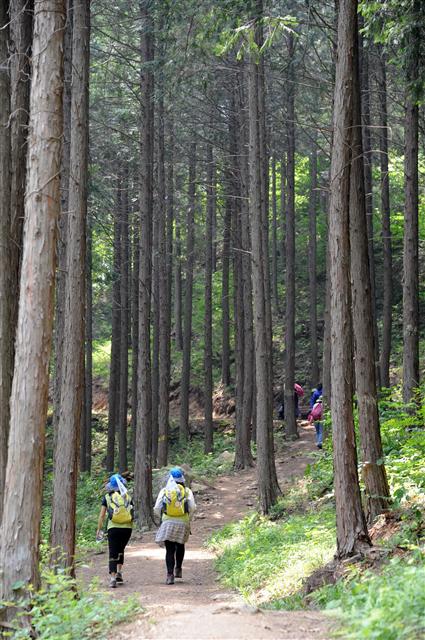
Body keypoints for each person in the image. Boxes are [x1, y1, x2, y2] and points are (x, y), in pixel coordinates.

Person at [154, 467, 196, 585]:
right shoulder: (187, 491)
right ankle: (178, 569)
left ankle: (169, 575)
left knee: (170, 549)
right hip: (183, 522)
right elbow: (192, 507)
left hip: (168, 522)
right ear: (181, 479)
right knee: (180, 545)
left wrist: (161, 518)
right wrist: (188, 518)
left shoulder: (164, 491)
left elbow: (157, 507)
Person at [97, 473, 133, 588]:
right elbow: (132, 512)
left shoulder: (107, 497)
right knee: (121, 549)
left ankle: (112, 578)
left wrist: (99, 529)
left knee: (113, 551)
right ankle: (119, 572)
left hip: (113, 528)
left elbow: (102, 515)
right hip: (127, 528)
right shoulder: (127, 496)